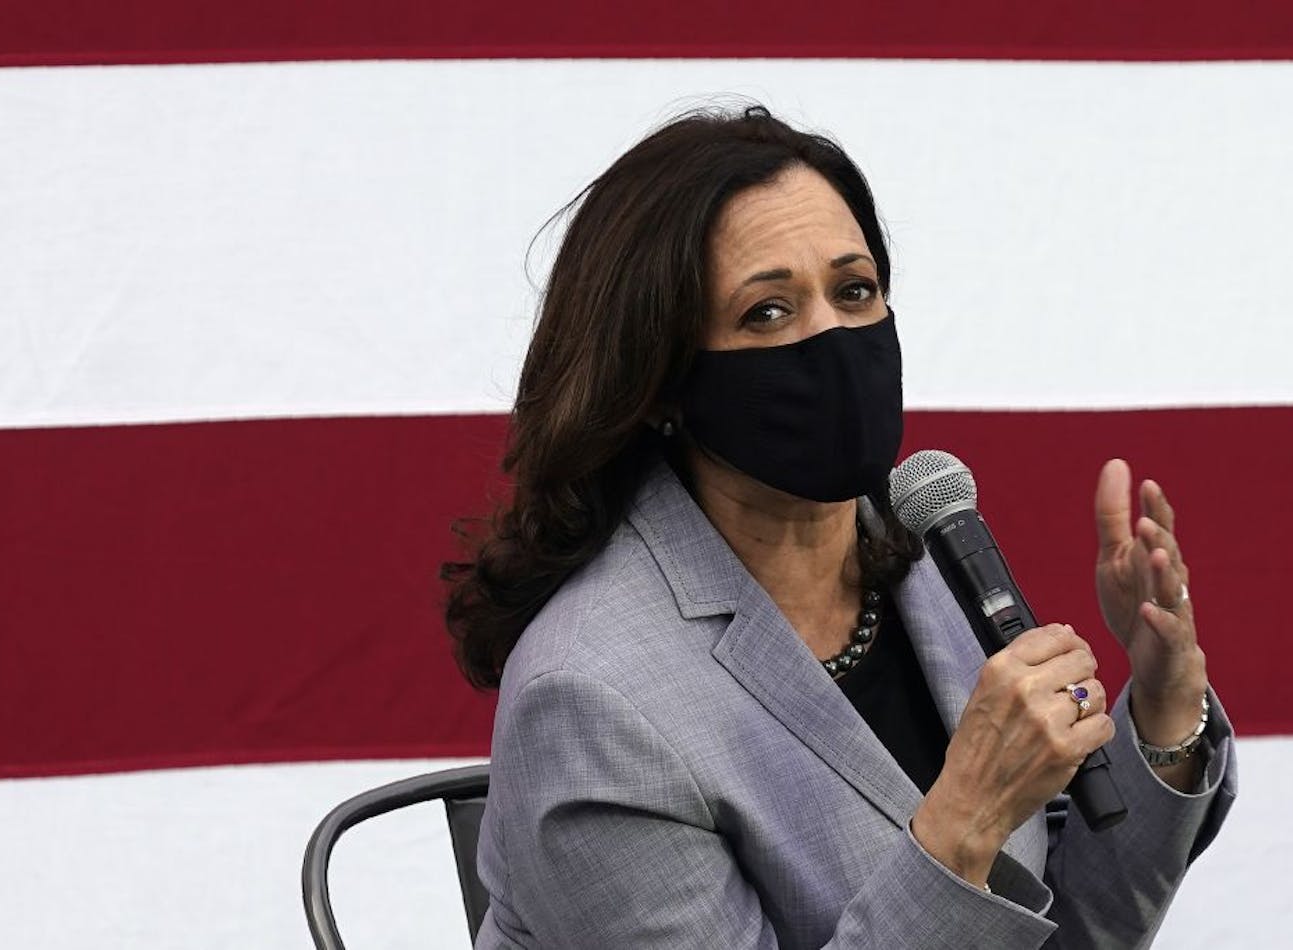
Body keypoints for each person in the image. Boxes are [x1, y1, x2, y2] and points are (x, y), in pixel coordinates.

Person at [444, 105, 1236, 948]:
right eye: (767, 313)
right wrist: (964, 820)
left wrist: (1165, 704)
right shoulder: (591, 698)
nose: (830, 336)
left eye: (854, 292)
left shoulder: (927, 566)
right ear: (661, 381)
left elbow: (1075, 932)